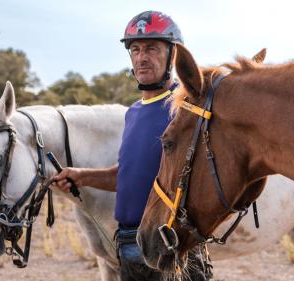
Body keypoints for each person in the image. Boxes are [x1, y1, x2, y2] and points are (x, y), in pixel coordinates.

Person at [51, 10, 212, 281]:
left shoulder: (185, 106)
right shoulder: (133, 112)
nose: (142, 57)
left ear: (173, 55)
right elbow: (125, 176)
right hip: (127, 242)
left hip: (171, 243)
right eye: (135, 49)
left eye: (151, 48)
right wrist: (81, 176)